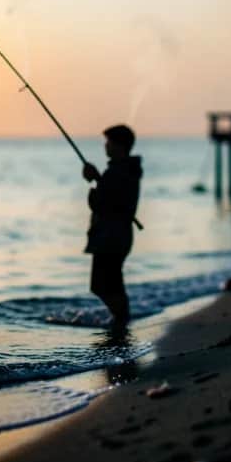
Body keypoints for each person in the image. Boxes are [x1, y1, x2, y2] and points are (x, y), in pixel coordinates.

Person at [82, 124, 142, 326]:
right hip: (118, 235)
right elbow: (113, 195)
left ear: (119, 145)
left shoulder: (119, 171)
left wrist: (92, 183)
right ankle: (121, 318)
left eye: (108, 142)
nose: (105, 146)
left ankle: (121, 319)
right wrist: (98, 179)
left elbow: (102, 203)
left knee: (102, 284)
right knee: (111, 282)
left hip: (111, 237)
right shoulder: (125, 169)